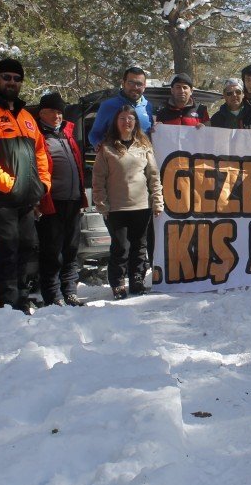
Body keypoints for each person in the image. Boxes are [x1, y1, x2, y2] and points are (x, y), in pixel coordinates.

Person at [0, 58, 51, 314]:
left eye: (16, 79)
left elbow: (40, 152)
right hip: (1, 197)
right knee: (8, 248)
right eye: (6, 77)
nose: (11, 82)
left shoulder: (26, 117)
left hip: (26, 196)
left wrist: (43, 183)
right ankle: (7, 303)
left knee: (27, 246)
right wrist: (8, 183)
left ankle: (22, 297)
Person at [92, 105, 164, 299]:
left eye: (130, 119)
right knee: (121, 247)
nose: (127, 122)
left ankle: (137, 280)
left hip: (141, 206)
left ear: (135, 122)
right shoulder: (106, 148)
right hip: (116, 208)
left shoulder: (144, 145)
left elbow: (153, 175)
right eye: (122, 118)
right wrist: (101, 204)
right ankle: (117, 283)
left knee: (139, 246)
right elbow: (98, 178)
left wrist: (157, 201)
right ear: (116, 122)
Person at [35, 92, 87, 307]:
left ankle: (70, 291)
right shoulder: (37, 135)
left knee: (71, 249)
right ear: (42, 113)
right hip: (51, 202)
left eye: (59, 112)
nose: (57, 116)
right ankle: (53, 294)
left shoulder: (67, 133)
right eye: (52, 112)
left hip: (73, 200)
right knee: (52, 251)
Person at [88, 66, 154, 146]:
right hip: (116, 152)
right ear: (123, 83)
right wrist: (100, 146)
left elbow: (150, 133)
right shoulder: (108, 105)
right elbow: (94, 135)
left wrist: (159, 128)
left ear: (144, 86)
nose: (135, 87)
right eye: (131, 83)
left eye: (139, 84)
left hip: (142, 152)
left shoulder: (148, 106)